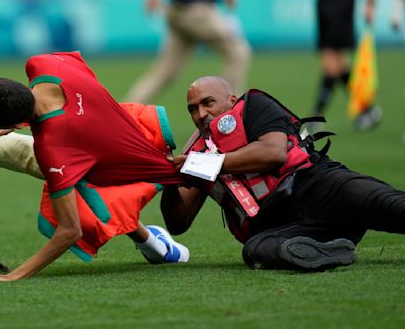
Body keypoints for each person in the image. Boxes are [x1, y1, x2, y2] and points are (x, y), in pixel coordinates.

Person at [0, 51, 189, 282]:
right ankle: (155, 246)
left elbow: (70, 230)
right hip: (131, 137)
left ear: (16, 124)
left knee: (86, 190)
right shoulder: (44, 64)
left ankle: (155, 245)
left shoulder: (54, 149)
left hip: (122, 172)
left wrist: (9, 277)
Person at [161, 76, 405, 271]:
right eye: (192, 109)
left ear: (232, 100)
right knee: (255, 251)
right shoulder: (195, 154)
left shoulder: (253, 107)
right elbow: (178, 223)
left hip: (317, 185)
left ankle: (329, 246)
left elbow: (273, 153)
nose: (201, 114)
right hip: (280, 226)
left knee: (389, 205)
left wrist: (205, 164)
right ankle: (332, 251)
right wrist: (169, 179)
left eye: (208, 102)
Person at [125, 0, 251, 103]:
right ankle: (231, 113)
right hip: (196, 11)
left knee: (164, 72)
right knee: (238, 53)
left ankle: (126, 110)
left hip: (179, 10)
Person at [310, 0, 381, 131]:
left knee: (331, 64)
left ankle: (316, 115)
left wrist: (371, 1)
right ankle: (367, 109)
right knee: (340, 65)